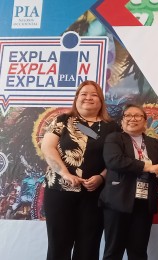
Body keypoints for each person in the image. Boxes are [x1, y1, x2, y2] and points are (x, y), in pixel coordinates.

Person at [41, 80, 119, 260]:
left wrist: (101, 177)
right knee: (58, 245)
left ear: (101, 101)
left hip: (94, 194)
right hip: (59, 190)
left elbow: (115, 159)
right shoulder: (63, 120)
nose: (88, 98)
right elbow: (48, 147)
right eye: (83, 94)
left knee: (88, 246)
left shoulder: (112, 127)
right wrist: (65, 173)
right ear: (76, 98)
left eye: (94, 94)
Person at [99, 104, 158, 260]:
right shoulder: (114, 138)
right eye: (128, 116)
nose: (132, 119)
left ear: (145, 122)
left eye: (137, 116)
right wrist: (147, 167)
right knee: (113, 251)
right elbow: (114, 161)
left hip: (144, 204)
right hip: (117, 202)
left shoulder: (155, 144)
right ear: (122, 121)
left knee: (139, 252)